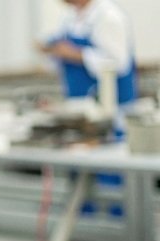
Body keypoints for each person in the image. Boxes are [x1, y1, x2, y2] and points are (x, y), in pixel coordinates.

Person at [39, 0, 138, 138]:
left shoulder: (108, 16)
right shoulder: (69, 17)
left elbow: (119, 64)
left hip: (112, 110)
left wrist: (76, 54)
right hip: (79, 107)